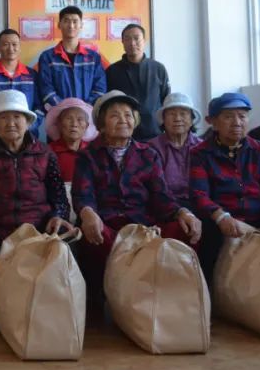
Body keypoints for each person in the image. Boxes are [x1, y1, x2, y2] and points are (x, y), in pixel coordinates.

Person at [0, 90, 72, 332]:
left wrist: (58, 216)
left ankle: (53, 310)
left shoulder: (45, 153)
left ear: (28, 122)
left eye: (17, 117)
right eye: (4, 118)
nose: (11, 123)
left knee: (68, 244)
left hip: (38, 227)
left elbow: (59, 197)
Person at [73, 91, 202, 307]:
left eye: (128, 115)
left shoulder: (148, 154)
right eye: (115, 115)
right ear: (102, 124)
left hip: (144, 226)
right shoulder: (88, 156)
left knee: (186, 228)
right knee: (92, 235)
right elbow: (83, 194)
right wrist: (88, 213)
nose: (123, 120)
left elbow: (161, 196)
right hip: (107, 223)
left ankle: (175, 301)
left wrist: (183, 212)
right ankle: (106, 302)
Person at [189, 92, 260, 281]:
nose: (237, 122)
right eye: (228, 117)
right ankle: (212, 293)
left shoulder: (259, 149)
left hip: (258, 217)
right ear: (214, 123)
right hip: (221, 220)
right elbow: (199, 194)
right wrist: (221, 216)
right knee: (210, 241)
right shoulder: (200, 153)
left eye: (242, 116)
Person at [104, 24, 169, 140]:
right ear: (122, 42)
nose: (132, 43)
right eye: (127, 39)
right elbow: (108, 104)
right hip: (124, 135)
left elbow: (166, 101)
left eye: (136, 38)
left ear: (144, 41)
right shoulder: (112, 71)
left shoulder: (158, 69)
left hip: (154, 135)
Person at [35, 6, 107, 108]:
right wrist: (65, 109)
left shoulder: (93, 58)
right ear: (59, 25)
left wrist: (85, 108)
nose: (71, 25)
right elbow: (46, 89)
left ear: (81, 25)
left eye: (75, 21)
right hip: (59, 114)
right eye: (66, 21)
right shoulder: (47, 57)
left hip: (88, 114)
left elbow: (100, 89)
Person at [0, 29, 43, 134]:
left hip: (28, 134)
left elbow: (40, 106)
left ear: (20, 47)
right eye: (6, 44)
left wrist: (29, 126)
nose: (11, 49)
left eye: (14, 44)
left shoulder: (32, 75)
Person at [148, 93, 203, 204]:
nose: (177, 119)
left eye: (183, 114)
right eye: (171, 114)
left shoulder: (202, 147)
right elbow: (156, 188)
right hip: (165, 205)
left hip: (199, 203)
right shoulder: (152, 148)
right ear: (163, 119)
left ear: (192, 119)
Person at [44, 98, 98, 184]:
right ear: (59, 124)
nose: (74, 124)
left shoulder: (93, 152)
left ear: (86, 126)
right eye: (69, 118)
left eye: (80, 119)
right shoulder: (47, 152)